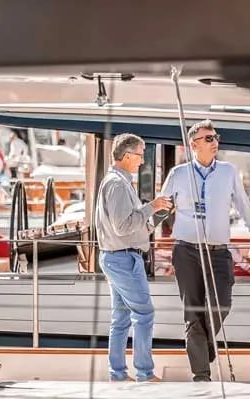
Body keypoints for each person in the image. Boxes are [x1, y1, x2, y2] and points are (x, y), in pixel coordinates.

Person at [160, 119, 250, 382]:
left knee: (221, 304)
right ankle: (201, 374)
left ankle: (204, 348)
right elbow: (161, 208)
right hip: (186, 251)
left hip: (218, 252)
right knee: (193, 313)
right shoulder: (178, 174)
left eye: (215, 137)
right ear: (193, 144)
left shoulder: (228, 171)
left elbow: (244, 207)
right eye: (208, 138)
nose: (214, 142)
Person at [95, 133, 172, 382]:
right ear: (127, 155)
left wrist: (154, 216)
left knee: (120, 318)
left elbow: (131, 224)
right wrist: (152, 206)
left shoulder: (118, 182)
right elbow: (123, 226)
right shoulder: (117, 184)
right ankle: (145, 373)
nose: (142, 161)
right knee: (144, 314)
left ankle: (118, 374)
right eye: (140, 155)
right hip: (123, 260)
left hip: (118, 257)